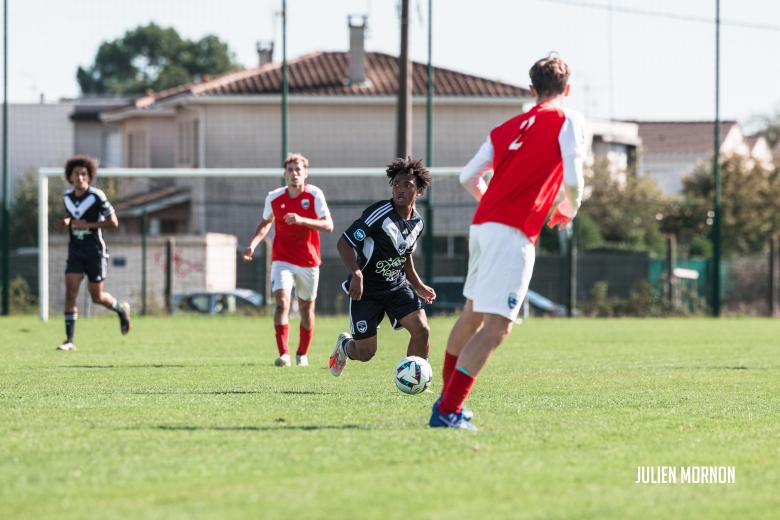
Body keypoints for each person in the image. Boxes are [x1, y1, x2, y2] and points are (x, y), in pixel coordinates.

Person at [429, 55, 587, 429]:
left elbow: (469, 176)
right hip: (512, 233)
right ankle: (448, 410)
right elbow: (575, 178)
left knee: (472, 315)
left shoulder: (506, 127)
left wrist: (494, 203)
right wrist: (569, 207)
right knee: (498, 327)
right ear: (567, 90)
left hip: (482, 227)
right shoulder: (567, 119)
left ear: (532, 90)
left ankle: (446, 402)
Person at [329, 157, 436, 377]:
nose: (400, 189)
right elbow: (344, 243)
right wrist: (356, 273)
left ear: (419, 190)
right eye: (396, 183)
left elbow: (404, 255)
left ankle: (416, 378)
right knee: (366, 352)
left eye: (408, 185)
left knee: (422, 330)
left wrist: (418, 285)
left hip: (397, 287)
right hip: (366, 291)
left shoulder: (418, 223)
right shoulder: (378, 214)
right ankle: (344, 346)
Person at [243, 153, 334, 367]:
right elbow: (265, 223)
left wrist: (302, 219)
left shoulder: (314, 195)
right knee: (282, 302)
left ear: (305, 174)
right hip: (281, 259)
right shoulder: (274, 197)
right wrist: (253, 244)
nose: (294, 174)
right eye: (291, 170)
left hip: (309, 261)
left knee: (306, 308)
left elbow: (328, 225)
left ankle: (302, 354)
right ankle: (284, 354)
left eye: (298, 170)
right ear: (285, 174)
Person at [58, 155, 131, 351]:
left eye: (84, 174)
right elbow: (70, 216)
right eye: (76, 174)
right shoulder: (67, 197)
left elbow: (113, 222)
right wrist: (67, 221)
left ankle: (120, 310)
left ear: (89, 177)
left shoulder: (97, 196)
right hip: (75, 250)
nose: (80, 177)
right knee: (70, 291)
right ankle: (69, 340)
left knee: (96, 297)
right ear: (70, 177)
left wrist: (88, 225)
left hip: (95, 251)